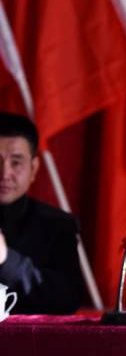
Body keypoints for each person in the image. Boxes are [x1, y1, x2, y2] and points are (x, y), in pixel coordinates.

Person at [0, 112, 83, 314]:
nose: (4, 173)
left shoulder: (58, 224)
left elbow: (68, 299)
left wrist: (7, 260)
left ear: (34, 168)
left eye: (16, 162)